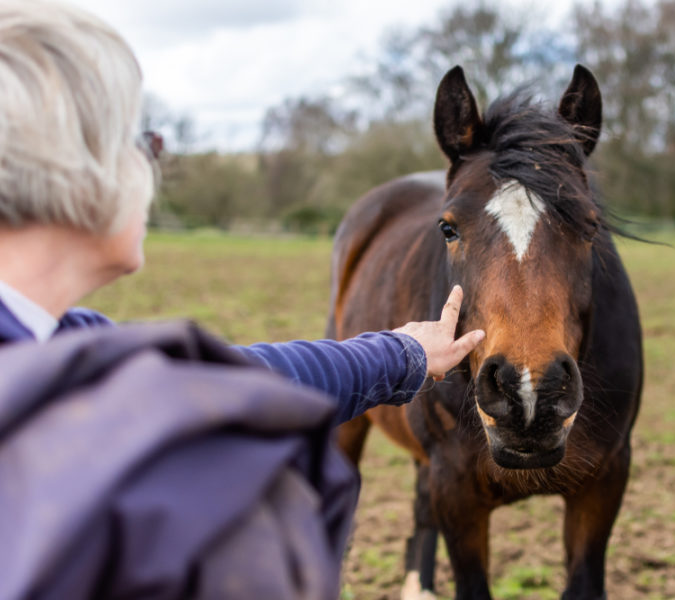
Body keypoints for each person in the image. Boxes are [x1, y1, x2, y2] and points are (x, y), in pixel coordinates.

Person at [0, 2, 483, 598]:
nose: (151, 165)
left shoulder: (55, 347)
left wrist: (403, 352)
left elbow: (227, 379)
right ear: (75, 168)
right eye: (142, 141)